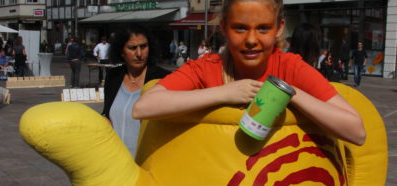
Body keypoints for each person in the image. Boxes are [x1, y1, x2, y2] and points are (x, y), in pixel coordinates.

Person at [133, 0, 366, 149]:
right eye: (240, 28)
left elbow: (357, 132)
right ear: (224, 27)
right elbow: (143, 107)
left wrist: (290, 93)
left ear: (280, 28)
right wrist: (225, 93)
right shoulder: (207, 67)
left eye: (263, 28)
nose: (252, 40)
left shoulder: (290, 67)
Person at [102, 24, 170, 156]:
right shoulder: (113, 76)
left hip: (148, 162)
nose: (139, 54)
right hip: (115, 160)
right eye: (132, 48)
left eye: (143, 47)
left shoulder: (163, 78)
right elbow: (107, 113)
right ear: (121, 51)